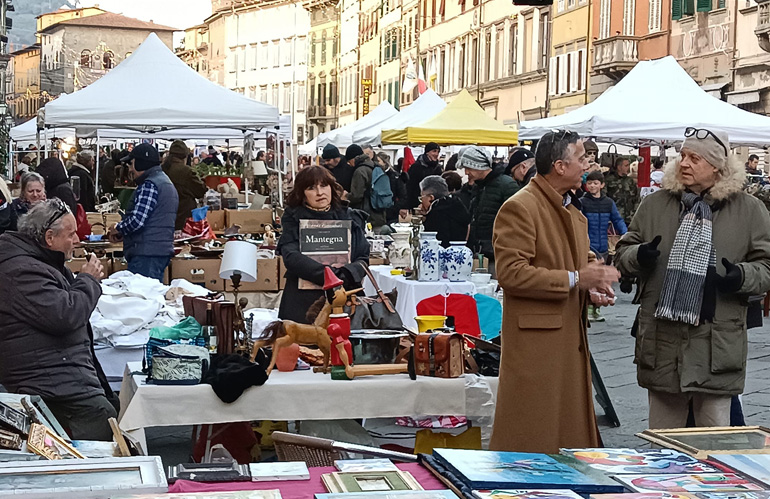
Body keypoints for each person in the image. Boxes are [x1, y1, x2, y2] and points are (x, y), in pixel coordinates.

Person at [615, 127, 770, 429]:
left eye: (694, 158)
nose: (683, 163)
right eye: (682, 156)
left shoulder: (749, 210)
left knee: (713, 448)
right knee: (663, 448)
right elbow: (622, 252)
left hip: (716, 345)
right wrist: (638, 256)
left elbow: (766, 265)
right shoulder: (655, 204)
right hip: (662, 344)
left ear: (717, 167)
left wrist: (740, 276)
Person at [490, 130, 620, 453]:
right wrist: (577, 279)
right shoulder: (520, 207)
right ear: (560, 166)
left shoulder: (571, 210)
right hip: (537, 348)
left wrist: (593, 284)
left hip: (566, 343)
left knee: (568, 439)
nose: (587, 166)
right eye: (581, 159)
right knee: (532, 438)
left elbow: (579, 257)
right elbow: (511, 273)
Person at [0, 199, 118, 441]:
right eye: (71, 234)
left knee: (109, 411)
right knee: (100, 420)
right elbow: (66, 314)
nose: (76, 240)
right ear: (49, 238)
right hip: (51, 384)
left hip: (59, 376)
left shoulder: (39, 261)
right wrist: (88, 280)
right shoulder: (21, 270)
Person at [277, 165, 369, 323]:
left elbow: (363, 257)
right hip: (303, 304)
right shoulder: (293, 218)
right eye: (311, 188)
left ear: (332, 188)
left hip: (346, 300)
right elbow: (291, 256)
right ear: (302, 194)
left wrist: (345, 275)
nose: (320, 193)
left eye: (324, 185)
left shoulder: (350, 216)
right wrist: (328, 275)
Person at [107, 144, 179, 281]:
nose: (130, 168)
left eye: (132, 163)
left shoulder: (150, 185)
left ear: (141, 163)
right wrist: (125, 233)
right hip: (156, 250)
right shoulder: (165, 182)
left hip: (146, 253)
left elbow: (137, 221)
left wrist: (118, 228)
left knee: (141, 298)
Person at [462, 146, 520, 276]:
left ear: (478, 165)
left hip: (498, 255)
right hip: (480, 252)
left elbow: (517, 220)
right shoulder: (479, 186)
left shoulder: (506, 185)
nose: (466, 172)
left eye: (468, 168)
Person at [581, 170, 627, 322]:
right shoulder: (582, 202)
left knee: (601, 278)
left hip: (604, 246)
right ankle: (588, 307)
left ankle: (597, 308)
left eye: (595, 183)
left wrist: (625, 234)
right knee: (590, 278)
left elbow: (617, 219)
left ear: (602, 185)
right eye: (589, 183)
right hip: (588, 246)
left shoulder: (608, 203)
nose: (592, 186)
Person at [162, 140, 207, 231]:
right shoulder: (186, 171)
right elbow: (200, 191)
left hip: (164, 218)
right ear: (185, 156)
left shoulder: (162, 169)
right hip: (184, 220)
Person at [420, 175, 470, 247]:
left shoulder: (436, 214)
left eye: (421, 198)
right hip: (461, 250)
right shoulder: (457, 203)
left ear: (431, 197)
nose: (421, 202)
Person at [348, 154, 387, 230]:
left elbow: (357, 195)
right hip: (380, 212)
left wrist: (346, 196)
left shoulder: (360, 171)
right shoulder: (378, 168)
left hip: (366, 213)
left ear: (353, 160)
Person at [604, 156, 640, 227]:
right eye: (626, 165)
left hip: (629, 216)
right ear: (619, 167)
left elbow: (636, 198)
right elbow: (604, 197)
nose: (628, 167)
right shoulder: (608, 179)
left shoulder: (630, 181)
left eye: (629, 165)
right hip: (615, 216)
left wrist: (635, 212)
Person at [406, 142, 442, 209]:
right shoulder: (416, 166)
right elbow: (410, 186)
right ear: (427, 152)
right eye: (434, 151)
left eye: (438, 152)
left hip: (433, 201)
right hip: (417, 201)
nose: (436, 154)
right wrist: (407, 205)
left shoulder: (438, 167)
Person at [376, 152, 409, 224]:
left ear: (385, 162)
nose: (376, 163)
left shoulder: (395, 176)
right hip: (378, 213)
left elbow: (403, 196)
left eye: (378, 161)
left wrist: (394, 208)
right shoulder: (376, 175)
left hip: (391, 214)